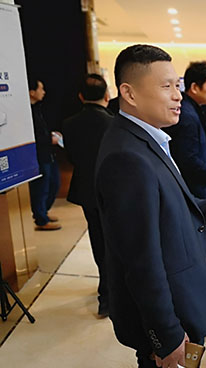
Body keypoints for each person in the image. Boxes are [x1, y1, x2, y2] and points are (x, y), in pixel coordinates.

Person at [95, 44, 206, 368]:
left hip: (183, 301)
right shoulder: (126, 157)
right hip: (170, 317)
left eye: (178, 85)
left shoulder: (148, 138)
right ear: (129, 93)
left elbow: (173, 204)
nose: (177, 96)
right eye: (166, 87)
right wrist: (167, 335)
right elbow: (141, 261)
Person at [62, 73, 114, 317]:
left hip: (86, 189)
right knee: (116, 240)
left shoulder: (69, 124)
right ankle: (112, 292)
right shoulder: (114, 124)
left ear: (81, 96)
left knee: (98, 238)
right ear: (107, 95)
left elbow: (71, 157)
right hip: (113, 190)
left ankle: (106, 293)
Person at [164, 62, 206, 200]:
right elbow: (187, 159)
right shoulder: (187, 116)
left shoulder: (192, 108)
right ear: (194, 87)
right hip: (195, 188)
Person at [28, 76, 61, 230]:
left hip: (48, 153)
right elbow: (32, 137)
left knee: (54, 183)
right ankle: (41, 219)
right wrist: (49, 139)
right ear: (32, 92)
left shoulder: (38, 109)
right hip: (38, 155)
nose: (43, 92)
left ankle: (44, 212)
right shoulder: (27, 113)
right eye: (40, 89)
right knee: (41, 188)